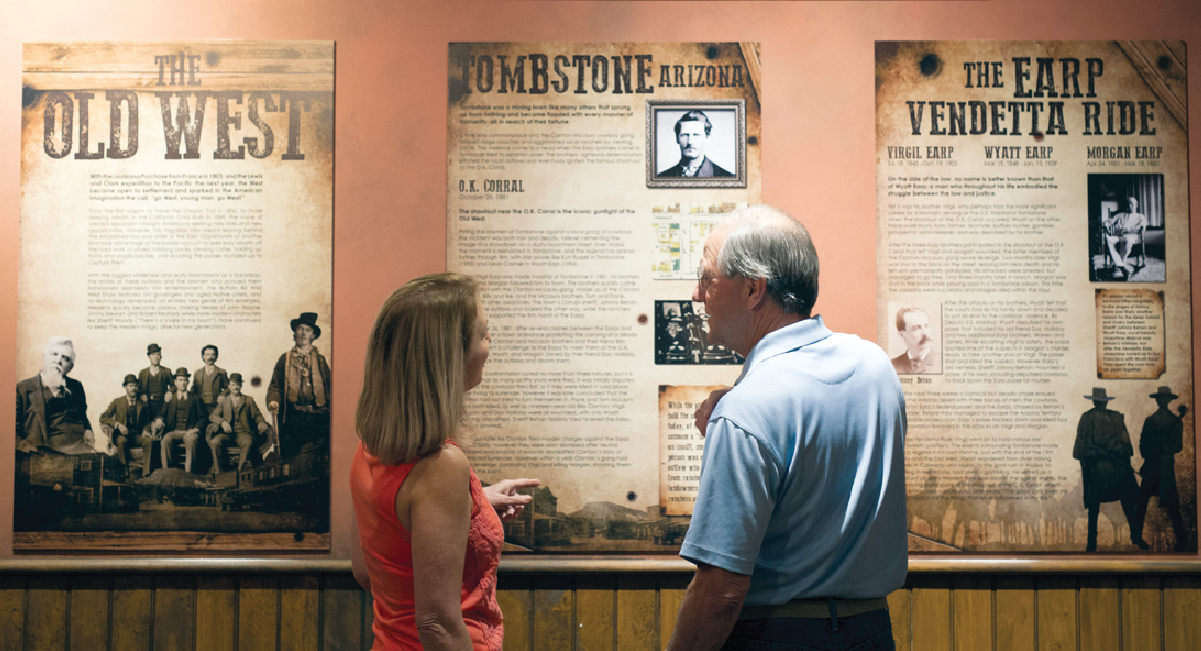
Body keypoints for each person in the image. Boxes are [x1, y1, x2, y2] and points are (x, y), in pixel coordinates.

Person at [666, 206, 907, 651]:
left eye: (707, 278)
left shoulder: (746, 411)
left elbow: (720, 594)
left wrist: (735, 418)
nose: (697, 294)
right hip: (872, 631)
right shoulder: (875, 366)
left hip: (775, 637)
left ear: (753, 289)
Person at [350, 273, 539, 651]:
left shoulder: (370, 447)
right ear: (448, 355)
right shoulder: (442, 465)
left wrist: (476, 501)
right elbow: (437, 623)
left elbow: (367, 571)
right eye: (483, 334)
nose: (490, 343)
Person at [1073, 387, 1148, 552]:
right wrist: (1095, 452)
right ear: (1093, 402)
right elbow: (1078, 450)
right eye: (1098, 402)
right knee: (1094, 509)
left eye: (1103, 402)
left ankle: (1136, 536)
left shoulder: (1116, 418)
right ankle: (1091, 544)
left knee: (1128, 502)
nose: (1101, 405)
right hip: (1096, 472)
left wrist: (1119, 450)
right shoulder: (1086, 419)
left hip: (1117, 471)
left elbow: (1128, 446)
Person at [16, 336, 95, 454]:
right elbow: (11, 434)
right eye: (54, 354)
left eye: (65, 358)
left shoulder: (76, 387)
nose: (58, 361)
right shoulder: (23, 389)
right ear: (45, 358)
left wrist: (88, 429)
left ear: (70, 367)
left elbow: (81, 416)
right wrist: (31, 452)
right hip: (41, 458)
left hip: (76, 456)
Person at [267, 312, 331, 457]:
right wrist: (273, 400)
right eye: (300, 329)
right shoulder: (285, 359)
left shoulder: (320, 361)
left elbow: (331, 389)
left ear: (313, 336)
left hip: (318, 417)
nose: (303, 333)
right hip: (293, 418)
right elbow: (275, 386)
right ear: (295, 332)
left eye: (307, 330)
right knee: (291, 458)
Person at [1134, 386, 1188, 552]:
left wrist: (1165, 446)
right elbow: (1142, 444)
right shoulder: (1150, 421)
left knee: (1172, 504)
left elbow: (1178, 446)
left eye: (1164, 399)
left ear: (1168, 401)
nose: (1162, 401)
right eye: (1160, 399)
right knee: (1142, 502)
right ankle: (1136, 536)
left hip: (1165, 468)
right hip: (1152, 466)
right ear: (1157, 400)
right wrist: (1151, 451)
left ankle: (1181, 539)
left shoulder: (1176, 422)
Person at [207, 373, 272, 474]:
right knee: (215, 442)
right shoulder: (224, 401)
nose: (236, 387)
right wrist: (222, 422)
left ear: (241, 385)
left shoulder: (248, 400)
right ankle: (219, 473)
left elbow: (257, 415)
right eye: (233, 385)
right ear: (229, 386)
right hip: (227, 434)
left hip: (243, 433)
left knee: (248, 442)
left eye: (238, 384)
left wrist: (261, 422)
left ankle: (241, 472)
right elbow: (212, 416)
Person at [98, 374, 153, 466]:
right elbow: (103, 417)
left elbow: (147, 421)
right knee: (122, 442)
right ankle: (123, 472)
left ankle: (146, 474)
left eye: (135, 385)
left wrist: (145, 430)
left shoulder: (142, 404)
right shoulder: (117, 402)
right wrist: (118, 425)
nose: (133, 388)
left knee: (148, 441)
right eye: (130, 386)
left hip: (137, 435)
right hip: (122, 436)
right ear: (125, 387)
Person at [658, 110, 733, 178]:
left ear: (707, 138)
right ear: (677, 138)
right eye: (685, 135)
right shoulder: (662, 177)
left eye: (696, 135)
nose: (690, 142)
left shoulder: (726, 177)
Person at [160, 367, 207, 473]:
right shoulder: (170, 398)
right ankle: (166, 473)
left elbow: (203, 417)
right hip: (174, 431)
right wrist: (159, 420)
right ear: (175, 382)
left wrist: (195, 429)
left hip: (189, 432)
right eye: (180, 380)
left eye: (185, 380)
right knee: (165, 440)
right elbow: (161, 413)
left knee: (191, 440)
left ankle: (188, 474)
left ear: (188, 382)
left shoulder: (195, 398)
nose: (182, 383)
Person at [1103, 196, 1147, 278]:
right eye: (1128, 204)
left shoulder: (1140, 217)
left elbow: (1142, 228)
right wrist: (1106, 225)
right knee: (1108, 239)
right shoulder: (1121, 215)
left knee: (1127, 239)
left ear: (1136, 205)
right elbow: (1108, 221)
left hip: (1130, 237)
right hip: (1117, 236)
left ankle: (1119, 265)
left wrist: (1128, 230)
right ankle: (1122, 266)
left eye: (1132, 204)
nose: (1130, 206)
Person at [891, 307, 940, 374]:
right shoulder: (892, 366)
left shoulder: (944, 362)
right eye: (916, 328)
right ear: (902, 335)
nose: (925, 333)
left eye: (926, 326)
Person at [138, 343, 173, 436]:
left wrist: (170, 392)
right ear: (149, 356)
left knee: (162, 431)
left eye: (158, 354)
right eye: (153, 354)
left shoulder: (166, 371)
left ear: (161, 356)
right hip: (148, 406)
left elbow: (174, 386)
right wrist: (141, 395)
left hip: (162, 405)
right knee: (148, 430)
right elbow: (137, 389)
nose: (156, 357)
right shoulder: (143, 373)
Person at [191, 344, 228, 416]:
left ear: (216, 356)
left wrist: (223, 395)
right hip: (200, 407)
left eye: (213, 354)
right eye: (207, 354)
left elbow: (228, 387)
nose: (210, 357)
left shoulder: (221, 372)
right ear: (203, 356)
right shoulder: (197, 373)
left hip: (216, 407)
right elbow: (193, 389)